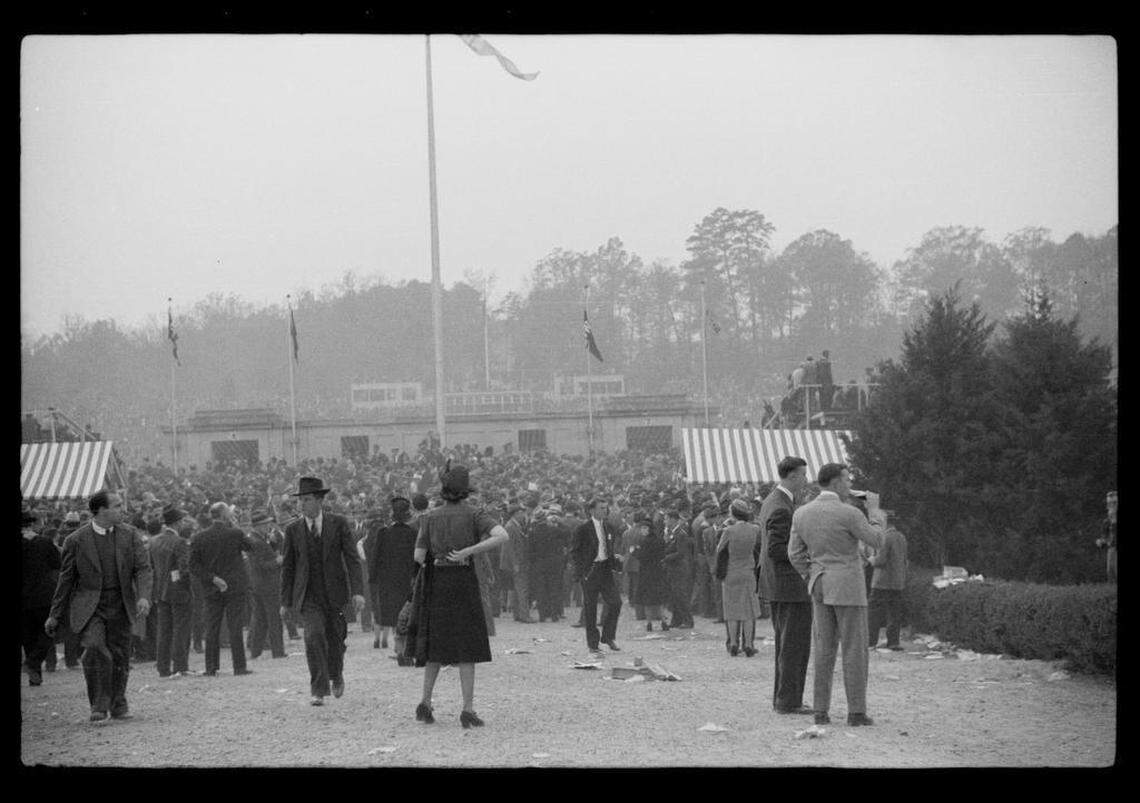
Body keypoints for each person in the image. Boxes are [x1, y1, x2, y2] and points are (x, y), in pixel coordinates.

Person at [412, 462, 509, 727]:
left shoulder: (428, 517)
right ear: (466, 491)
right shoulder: (475, 513)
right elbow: (502, 535)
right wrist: (469, 551)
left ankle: (425, 702)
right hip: (464, 582)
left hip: (437, 584)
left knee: (435, 648)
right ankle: (468, 708)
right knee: (466, 648)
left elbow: (419, 557)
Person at [789, 464, 885, 727]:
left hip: (819, 585)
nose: (849, 483)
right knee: (854, 650)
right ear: (835, 482)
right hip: (849, 587)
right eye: (846, 479)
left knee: (823, 650)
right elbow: (877, 540)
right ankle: (856, 712)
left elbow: (794, 554)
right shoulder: (850, 513)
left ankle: (821, 711)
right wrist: (875, 511)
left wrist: (811, 575)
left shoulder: (802, 513)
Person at [45, 491, 153, 722]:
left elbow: (143, 568)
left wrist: (143, 596)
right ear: (101, 510)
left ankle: (118, 704)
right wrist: (54, 614)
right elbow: (66, 580)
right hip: (90, 607)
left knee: (120, 654)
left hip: (122, 604)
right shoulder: (75, 540)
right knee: (94, 648)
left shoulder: (130, 535)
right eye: (117, 505)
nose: (122, 509)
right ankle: (98, 705)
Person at [280, 476, 366, 706]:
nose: (302, 504)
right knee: (313, 636)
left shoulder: (338, 523)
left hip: (335, 594)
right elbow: (287, 567)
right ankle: (318, 688)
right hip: (308, 596)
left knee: (336, 640)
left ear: (319, 500)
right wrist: (285, 601)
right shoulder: (293, 530)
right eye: (301, 500)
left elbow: (352, 558)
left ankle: (336, 674)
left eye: (306, 499)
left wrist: (357, 591)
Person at [757, 456, 813, 715]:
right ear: (791, 476)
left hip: (778, 586)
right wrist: (806, 557)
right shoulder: (782, 507)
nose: (805, 480)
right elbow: (778, 550)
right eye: (803, 475)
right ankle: (789, 701)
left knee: (786, 645)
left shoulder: (773, 501)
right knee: (794, 646)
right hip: (790, 588)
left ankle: (784, 698)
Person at [189, 501, 255, 677]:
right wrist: (236, 525)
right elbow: (251, 547)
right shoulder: (235, 533)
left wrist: (212, 578)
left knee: (212, 627)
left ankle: (211, 667)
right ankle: (239, 667)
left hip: (211, 588)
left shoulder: (199, 537)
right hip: (235, 587)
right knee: (235, 627)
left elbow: (193, 566)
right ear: (226, 515)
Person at [569, 497, 624, 657]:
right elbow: (574, 551)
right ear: (592, 510)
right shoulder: (583, 528)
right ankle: (593, 644)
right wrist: (582, 571)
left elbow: (609, 547)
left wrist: (615, 559)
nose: (605, 511)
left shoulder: (609, 527)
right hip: (591, 570)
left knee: (615, 603)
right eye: (601, 508)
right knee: (590, 608)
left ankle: (608, 636)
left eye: (606, 508)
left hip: (605, 568)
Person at [148, 505, 195, 678]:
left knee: (164, 630)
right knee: (181, 629)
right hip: (179, 592)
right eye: (182, 521)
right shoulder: (180, 542)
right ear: (177, 523)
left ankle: (163, 667)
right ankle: (180, 666)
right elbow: (184, 569)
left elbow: (151, 568)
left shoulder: (154, 541)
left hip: (160, 591)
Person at [368, 495, 419, 650]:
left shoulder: (383, 532)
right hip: (406, 579)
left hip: (387, 581)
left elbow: (375, 557)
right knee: (405, 613)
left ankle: (398, 646)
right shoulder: (413, 533)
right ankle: (402, 646)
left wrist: (373, 578)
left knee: (392, 613)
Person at [715, 499, 761, 656]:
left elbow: (719, 548)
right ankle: (748, 644)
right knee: (749, 611)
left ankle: (734, 643)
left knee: (732, 609)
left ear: (733, 513)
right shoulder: (755, 529)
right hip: (748, 571)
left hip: (731, 571)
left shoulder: (729, 531)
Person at [22, 511, 61, 686]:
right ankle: (34, 662)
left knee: (28, 635)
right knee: (49, 631)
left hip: (23, 597)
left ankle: (34, 674)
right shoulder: (45, 543)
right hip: (43, 595)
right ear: (33, 524)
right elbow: (57, 564)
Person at [246, 510, 287, 660]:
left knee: (261, 619)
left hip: (259, 584)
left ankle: (256, 651)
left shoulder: (256, 539)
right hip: (267, 584)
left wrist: (273, 543)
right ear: (258, 526)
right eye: (265, 524)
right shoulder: (257, 542)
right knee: (274, 618)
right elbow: (261, 564)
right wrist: (277, 562)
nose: (268, 526)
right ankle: (278, 651)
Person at [868, 512, 908, 651]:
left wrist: (871, 559)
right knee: (894, 612)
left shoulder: (884, 537)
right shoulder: (901, 537)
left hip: (881, 581)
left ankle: (870, 641)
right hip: (898, 582)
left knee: (874, 612)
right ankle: (893, 642)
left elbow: (880, 560)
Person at [631, 511, 670, 631]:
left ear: (648, 529)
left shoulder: (644, 542)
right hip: (658, 572)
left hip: (646, 573)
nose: (642, 530)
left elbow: (642, 556)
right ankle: (663, 621)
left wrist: (634, 551)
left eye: (644, 528)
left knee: (647, 600)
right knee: (659, 599)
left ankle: (649, 623)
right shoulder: (659, 540)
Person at [529, 506, 567, 622]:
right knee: (553, 589)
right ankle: (554, 615)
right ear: (545, 519)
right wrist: (559, 522)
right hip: (554, 564)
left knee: (541, 590)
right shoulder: (554, 530)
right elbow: (567, 534)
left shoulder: (533, 532)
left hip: (539, 564)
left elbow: (530, 550)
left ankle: (542, 616)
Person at [499, 504, 534, 623]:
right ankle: (525, 615)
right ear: (515, 513)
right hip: (516, 562)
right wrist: (515, 563)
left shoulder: (513, 525)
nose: (523, 515)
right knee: (522, 588)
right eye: (521, 512)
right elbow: (509, 548)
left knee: (515, 589)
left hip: (515, 562)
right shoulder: (511, 526)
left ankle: (518, 614)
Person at [662, 508, 695, 629]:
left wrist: (665, 557)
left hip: (679, 568)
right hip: (672, 568)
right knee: (674, 595)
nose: (664, 521)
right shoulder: (670, 533)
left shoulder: (680, 534)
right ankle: (677, 619)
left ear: (673, 519)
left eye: (666, 519)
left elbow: (681, 553)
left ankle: (688, 620)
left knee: (681, 595)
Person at [1097, 491, 1117, 583]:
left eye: (1115, 503)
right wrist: (1101, 541)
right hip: (1112, 550)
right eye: (1109, 503)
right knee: (1111, 572)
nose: (1111, 506)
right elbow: (1104, 536)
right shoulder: (1106, 522)